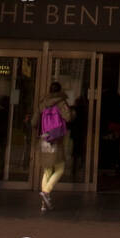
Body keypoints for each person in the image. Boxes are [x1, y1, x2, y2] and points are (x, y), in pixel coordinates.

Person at [36, 80, 71, 211]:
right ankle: (46, 192)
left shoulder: (43, 104)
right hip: (56, 137)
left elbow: (36, 120)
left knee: (47, 170)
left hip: (45, 137)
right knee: (60, 168)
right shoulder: (61, 103)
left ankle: (43, 204)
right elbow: (68, 118)